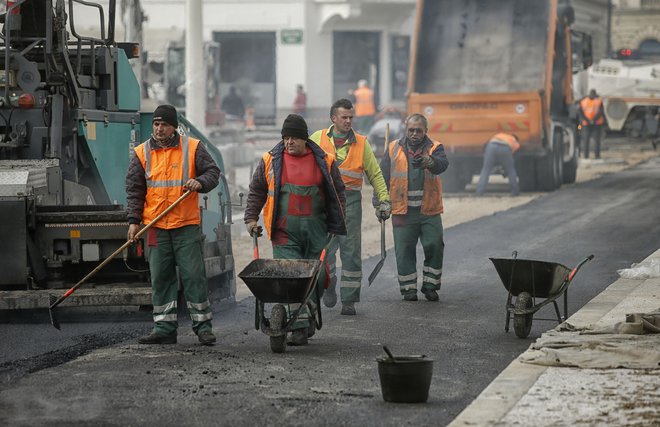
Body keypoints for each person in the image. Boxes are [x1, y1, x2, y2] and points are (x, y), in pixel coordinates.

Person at [244, 114, 347, 346]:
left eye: (293, 138)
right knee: (291, 277)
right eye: (285, 138)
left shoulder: (325, 161)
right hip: (284, 231)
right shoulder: (271, 160)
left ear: (304, 139)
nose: (288, 142)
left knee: (318, 278)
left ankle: (308, 312)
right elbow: (257, 191)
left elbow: (338, 193)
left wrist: (338, 221)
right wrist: (251, 219)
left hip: (317, 230)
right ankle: (299, 328)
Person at [126, 104, 220, 345]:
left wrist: (200, 182)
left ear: (173, 127)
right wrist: (133, 222)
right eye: (156, 124)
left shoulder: (193, 148)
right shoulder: (141, 153)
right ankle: (164, 328)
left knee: (193, 276)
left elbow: (213, 172)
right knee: (160, 277)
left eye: (164, 124)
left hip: (185, 225)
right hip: (155, 227)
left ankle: (203, 327)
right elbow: (135, 190)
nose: (159, 128)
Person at [310, 98, 391, 316]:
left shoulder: (362, 143)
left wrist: (383, 200)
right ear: (333, 118)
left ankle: (349, 299)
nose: (348, 121)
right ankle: (328, 282)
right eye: (344, 117)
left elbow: (375, 174)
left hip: (351, 204)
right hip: (324, 203)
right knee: (323, 250)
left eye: (350, 117)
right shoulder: (317, 139)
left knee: (351, 251)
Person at [379, 113, 449, 302]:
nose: (415, 133)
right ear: (406, 129)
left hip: (429, 211)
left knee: (434, 245)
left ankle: (430, 286)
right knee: (404, 250)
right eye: (411, 130)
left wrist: (430, 162)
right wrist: (380, 202)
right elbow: (381, 177)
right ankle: (408, 289)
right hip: (402, 211)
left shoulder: (435, 148)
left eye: (419, 130)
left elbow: (442, 165)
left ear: (426, 131)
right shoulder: (393, 148)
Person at [578, 89, 605, 159]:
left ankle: (586, 155)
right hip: (596, 124)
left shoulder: (583, 101)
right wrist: (593, 120)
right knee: (596, 140)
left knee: (586, 140)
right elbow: (601, 112)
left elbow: (580, 114)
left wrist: (587, 120)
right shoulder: (598, 101)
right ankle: (597, 155)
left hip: (586, 124)